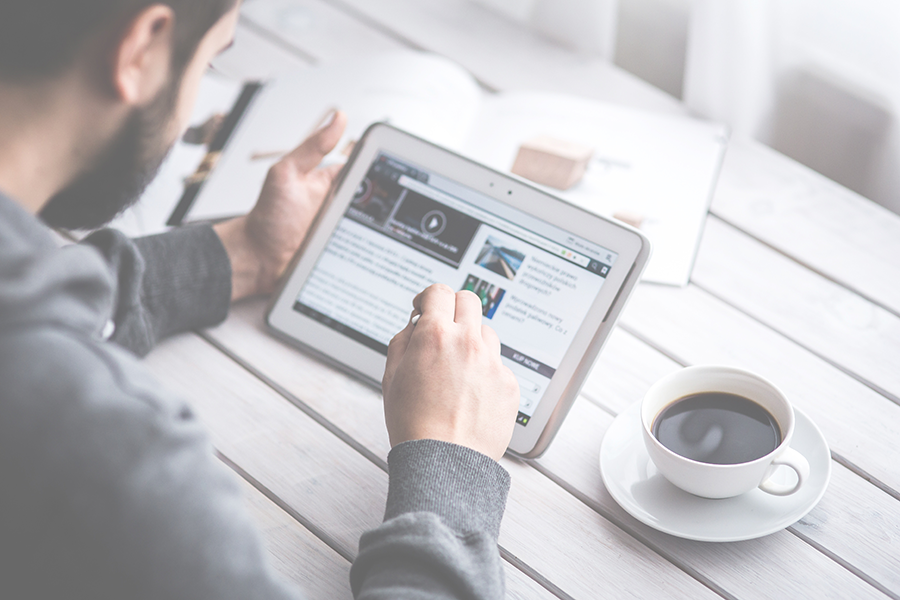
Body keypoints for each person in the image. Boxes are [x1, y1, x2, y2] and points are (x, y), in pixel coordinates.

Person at [0, 1, 521, 598]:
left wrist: (242, 253)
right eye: (210, 60)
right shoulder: (109, 459)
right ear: (143, 47)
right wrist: (449, 462)